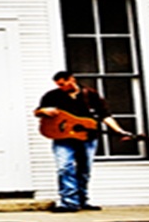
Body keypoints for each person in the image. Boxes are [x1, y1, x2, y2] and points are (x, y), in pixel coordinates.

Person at [34, 70, 132, 212]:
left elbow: (105, 115)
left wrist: (119, 131)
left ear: (72, 80)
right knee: (64, 167)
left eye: (63, 84)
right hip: (63, 138)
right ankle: (68, 203)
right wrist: (44, 111)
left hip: (87, 137)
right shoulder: (52, 95)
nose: (62, 87)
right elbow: (37, 112)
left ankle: (82, 200)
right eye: (59, 85)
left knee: (84, 170)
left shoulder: (90, 95)